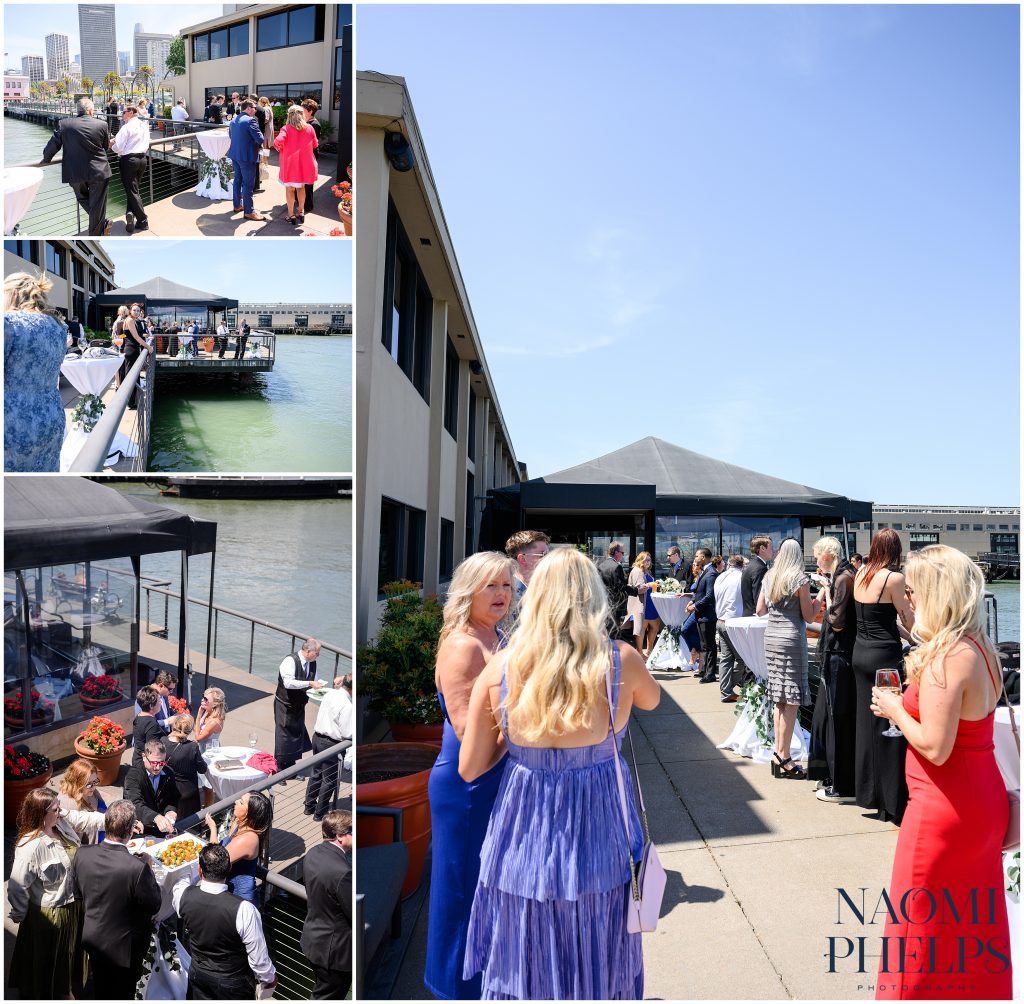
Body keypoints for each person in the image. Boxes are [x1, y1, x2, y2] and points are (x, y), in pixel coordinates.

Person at [460, 548, 661, 998]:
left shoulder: (501, 668)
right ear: (592, 598)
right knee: (599, 940)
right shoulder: (619, 661)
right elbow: (652, 700)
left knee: (524, 947)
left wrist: (518, 745)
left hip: (522, 832)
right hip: (599, 830)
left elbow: (470, 766)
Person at [870, 546, 1012, 1000]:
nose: (907, 600)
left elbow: (934, 745)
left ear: (936, 592)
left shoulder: (949, 656)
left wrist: (894, 709)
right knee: (972, 923)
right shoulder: (980, 648)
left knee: (921, 929)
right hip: (980, 802)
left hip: (943, 811)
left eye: (912, 591)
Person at [424, 550, 516, 1000]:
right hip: (467, 788)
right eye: (491, 586)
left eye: (507, 585)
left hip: (493, 781)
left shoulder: (493, 635)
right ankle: (455, 989)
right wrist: (527, 728)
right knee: (463, 896)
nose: (502, 594)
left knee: (488, 891)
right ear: (469, 590)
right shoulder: (464, 645)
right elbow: (471, 743)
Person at [852, 528, 914, 823]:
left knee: (866, 726)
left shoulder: (862, 572)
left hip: (860, 652)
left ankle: (868, 793)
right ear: (896, 550)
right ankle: (893, 800)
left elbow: (879, 617)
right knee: (891, 725)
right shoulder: (894, 578)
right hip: (884, 659)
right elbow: (906, 619)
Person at [71, 800, 162, 1000]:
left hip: (93, 939)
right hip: (125, 949)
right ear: (130, 831)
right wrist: (148, 868)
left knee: (101, 989)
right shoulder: (136, 868)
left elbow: (78, 892)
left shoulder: (82, 854)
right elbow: (154, 904)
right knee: (123, 993)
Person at [7, 787, 87, 999]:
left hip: (74, 905)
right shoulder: (30, 847)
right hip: (52, 914)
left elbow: (84, 820)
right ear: (40, 814)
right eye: (55, 809)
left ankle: (68, 987)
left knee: (70, 956)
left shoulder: (60, 825)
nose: (60, 813)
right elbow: (16, 887)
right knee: (52, 961)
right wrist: (23, 915)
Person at [173, 843, 277, 999]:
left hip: (198, 977)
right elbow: (258, 960)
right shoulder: (244, 910)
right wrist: (270, 979)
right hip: (234, 985)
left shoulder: (182, 896)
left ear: (200, 870)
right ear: (229, 869)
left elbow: (181, 879)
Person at [757, 539, 824, 779]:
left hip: (771, 638)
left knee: (779, 698)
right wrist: (823, 592)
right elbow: (808, 615)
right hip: (792, 640)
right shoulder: (800, 579)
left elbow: (760, 610)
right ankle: (784, 758)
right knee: (792, 699)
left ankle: (778, 753)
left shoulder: (770, 576)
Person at [809, 537, 858, 803]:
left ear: (829, 554)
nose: (816, 560)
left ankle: (843, 784)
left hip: (840, 655)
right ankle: (834, 776)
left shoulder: (843, 578)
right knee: (829, 717)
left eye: (818, 555)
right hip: (837, 654)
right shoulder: (843, 575)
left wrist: (826, 590)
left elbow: (837, 622)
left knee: (837, 717)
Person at [4, 272, 66, 472]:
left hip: (14, 424)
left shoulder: (8, 324)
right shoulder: (58, 327)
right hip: (52, 417)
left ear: (12, 294)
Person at [41, 97, 112, 236]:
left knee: (82, 198)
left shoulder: (64, 124)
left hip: (75, 172)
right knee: (97, 204)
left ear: (77, 111)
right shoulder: (102, 124)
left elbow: (52, 146)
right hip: (99, 170)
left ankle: (99, 228)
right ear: (91, 110)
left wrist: (46, 159)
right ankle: (98, 230)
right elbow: (105, 147)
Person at [300, 810, 352, 999]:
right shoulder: (343, 872)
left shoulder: (313, 853)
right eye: (352, 831)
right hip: (335, 954)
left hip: (314, 941)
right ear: (339, 836)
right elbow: (355, 912)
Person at [205, 791, 272, 907]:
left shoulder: (249, 838)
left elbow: (214, 860)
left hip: (240, 899)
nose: (236, 801)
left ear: (249, 813)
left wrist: (213, 828)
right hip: (228, 891)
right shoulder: (239, 823)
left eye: (241, 802)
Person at [304, 674, 353, 821]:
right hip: (332, 744)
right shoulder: (347, 705)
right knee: (330, 780)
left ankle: (309, 806)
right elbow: (347, 733)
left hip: (317, 738)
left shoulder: (330, 694)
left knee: (316, 773)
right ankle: (320, 814)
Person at [275, 638, 326, 772]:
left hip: (299, 704)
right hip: (285, 704)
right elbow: (288, 683)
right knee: (284, 736)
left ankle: (291, 767)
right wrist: (309, 683)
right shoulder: (290, 661)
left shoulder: (312, 663)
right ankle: (279, 768)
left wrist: (320, 689)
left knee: (296, 734)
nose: (318, 655)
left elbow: (314, 680)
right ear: (308, 651)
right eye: (317, 653)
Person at [123, 737, 180, 835]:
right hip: (141, 829)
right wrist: (155, 817)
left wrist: (170, 811)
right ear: (144, 756)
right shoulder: (133, 776)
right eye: (154, 763)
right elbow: (135, 804)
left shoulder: (168, 772)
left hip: (163, 827)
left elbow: (174, 797)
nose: (158, 767)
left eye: (162, 762)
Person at [274, 104, 319, 225]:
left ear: (289, 115)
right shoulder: (310, 128)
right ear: (302, 115)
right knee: (301, 188)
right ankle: (301, 212)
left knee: (290, 190)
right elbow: (315, 144)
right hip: (305, 165)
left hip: (290, 165)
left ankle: (291, 215)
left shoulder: (286, 128)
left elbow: (277, 141)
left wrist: (280, 147)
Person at [109, 102, 150, 233]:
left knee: (131, 190)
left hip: (129, 160)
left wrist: (112, 145)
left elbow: (118, 148)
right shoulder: (144, 126)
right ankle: (130, 213)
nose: (122, 114)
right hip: (143, 159)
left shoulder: (126, 128)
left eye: (124, 112)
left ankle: (143, 220)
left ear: (131, 113)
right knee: (134, 189)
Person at [596, 541, 647, 642]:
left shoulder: (600, 564)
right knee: (613, 634)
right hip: (615, 606)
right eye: (622, 553)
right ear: (616, 552)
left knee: (604, 633)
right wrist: (637, 590)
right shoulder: (616, 566)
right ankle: (613, 655)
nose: (623, 555)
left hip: (602, 604)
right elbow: (621, 587)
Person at [227, 98, 267, 221]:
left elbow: (231, 136)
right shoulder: (251, 121)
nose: (256, 110)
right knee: (248, 184)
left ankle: (237, 205)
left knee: (238, 180)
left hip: (235, 155)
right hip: (247, 157)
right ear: (248, 108)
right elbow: (260, 139)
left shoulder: (233, 120)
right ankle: (249, 212)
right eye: (254, 108)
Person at [715, 553, 746, 702]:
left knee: (726, 659)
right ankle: (727, 689)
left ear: (729, 564)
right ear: (742, 565)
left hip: (720, 621)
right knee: (742, 658)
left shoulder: (721, 576)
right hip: (733, 623)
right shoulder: (740, 577)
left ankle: (726, 691)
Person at [166, 712, 208, 819]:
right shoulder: (192, 747)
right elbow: (202, 769)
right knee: (190, 825)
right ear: (189, 730)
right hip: (188, 793)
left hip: (169, 790)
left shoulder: (162, 742)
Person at [58, 757, 110, 843]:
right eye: (89, 784)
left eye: (95, 781)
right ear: (77, 783)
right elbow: (74, 841)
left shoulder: (90, 790)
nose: (93, 787)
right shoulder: (69, 805)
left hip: (107, 830)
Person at [689, 548, 720, 683]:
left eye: (697, 556)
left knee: (709, 645)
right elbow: (699, 592)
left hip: (707, 615)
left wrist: (695, 606)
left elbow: (709, 596)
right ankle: (706, 670)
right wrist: (692, 601)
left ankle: (710, 673)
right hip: (701, 614)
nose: (695, 558)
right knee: (704, 644)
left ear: (702, 557)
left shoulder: (711, 573)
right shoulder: (705, 571)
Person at [504, 528, 550, 598]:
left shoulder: (543, 589)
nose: (549, 559)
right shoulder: (510, 595)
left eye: (549, 555)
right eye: (543, 555)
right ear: (522, 559)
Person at [120, 302, 149, 409]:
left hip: (132, 350)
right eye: (134, 310)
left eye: (138, 310)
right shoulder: (130, 320)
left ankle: (131, 401)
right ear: (130, 311)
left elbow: (125, 335)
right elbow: (136, 337)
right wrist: (148, 347)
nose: (136, 312)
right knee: (131, 377)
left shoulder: (130, 320)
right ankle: (130, 402)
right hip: (131, 351)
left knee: (132, 376)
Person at [131, 684, 168, 767]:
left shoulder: (139, 716)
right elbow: (153, 751)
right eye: (159, 701)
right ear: (151, 706)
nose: (161, 703)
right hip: (145, 765)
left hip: (137, 758)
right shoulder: (152, 723)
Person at [741, 534, 774, 616]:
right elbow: (759, 599)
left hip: (749, 615)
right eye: (771, 548)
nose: (773, 550)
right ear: (762, 548)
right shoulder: (760, 568)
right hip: (757, 618)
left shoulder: (751, 565)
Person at [301, 99, 322, 215]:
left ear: (310, 111)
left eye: (303, 109)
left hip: (310, 156)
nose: (301, 111)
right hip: (305, 155)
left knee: (308, 183)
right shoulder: (307, 123)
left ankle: (308, 205)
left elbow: (312, 144)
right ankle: (301, 201)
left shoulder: (314, 125)